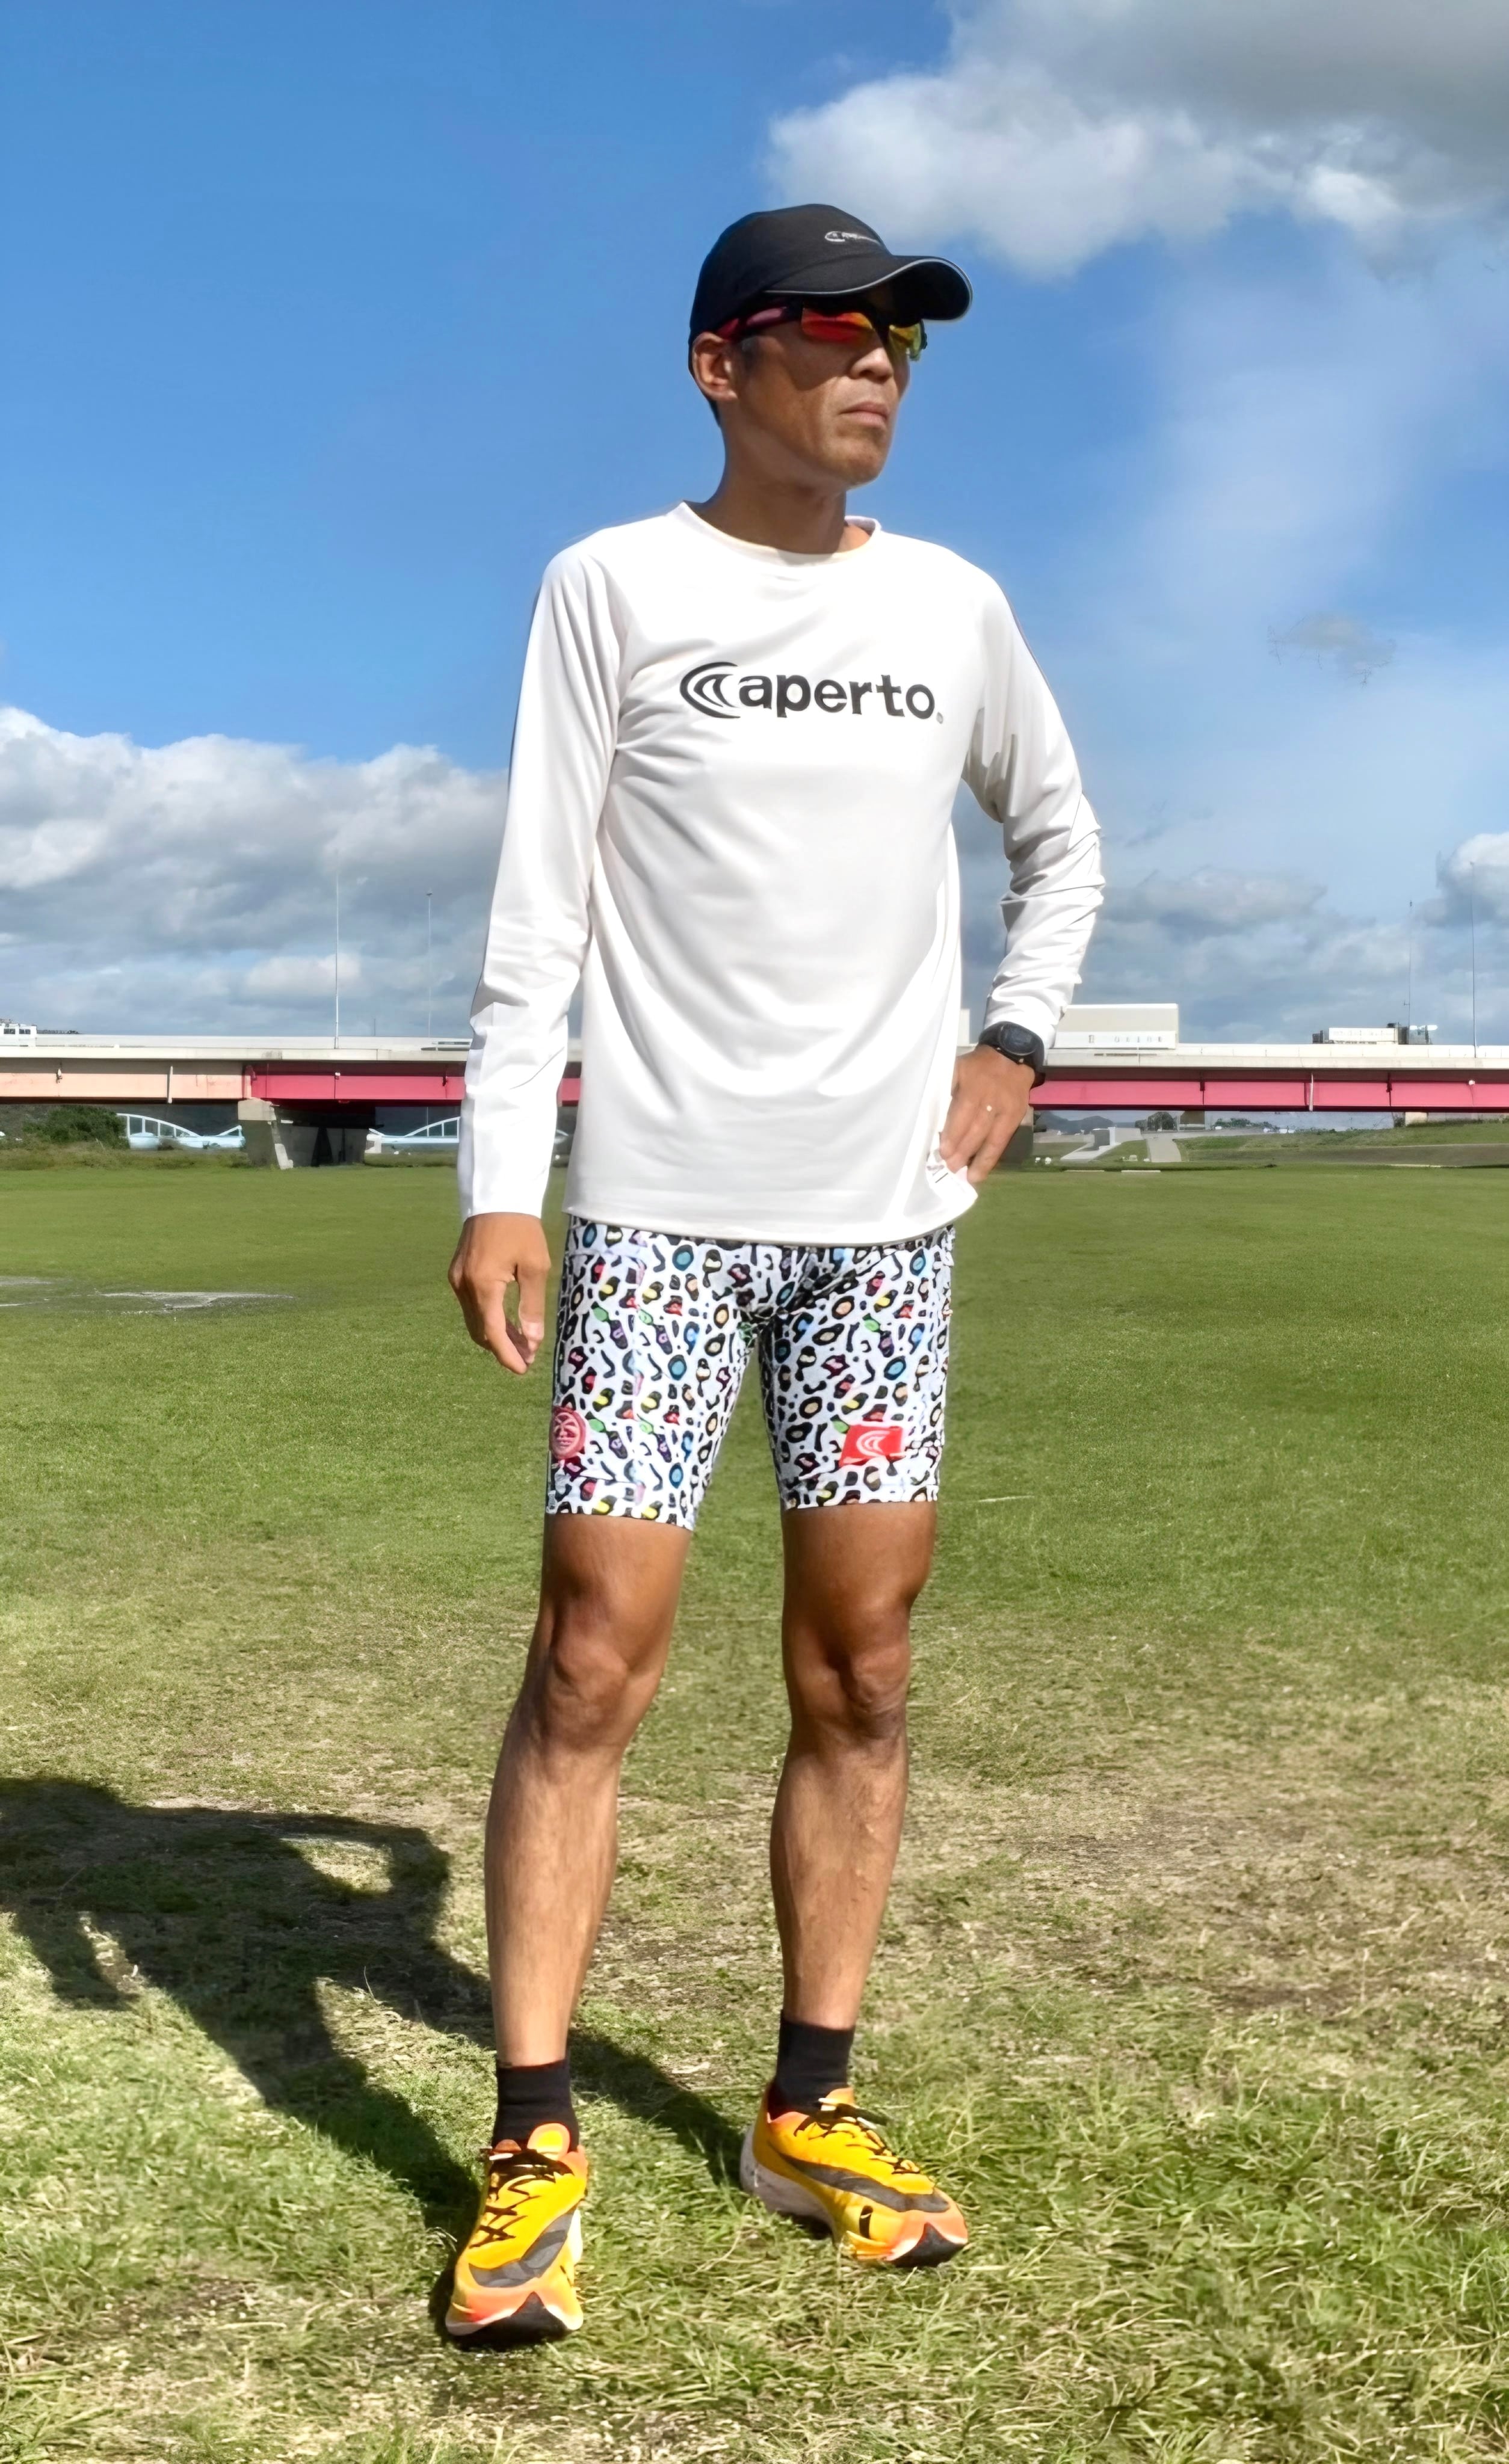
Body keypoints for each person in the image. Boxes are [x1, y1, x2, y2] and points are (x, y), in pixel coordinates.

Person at [445, 203, 1103, 2342]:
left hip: (880, 1234)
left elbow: (1061, 841)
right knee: (591, 1661)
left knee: (863, 1673)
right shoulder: (610, 585)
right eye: (834, 328)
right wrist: (504, 1179)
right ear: (721, 363)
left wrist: (1014, 1042)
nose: (877, 364)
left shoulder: (953, 604)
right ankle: (533, 2135)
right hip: (653, 1216)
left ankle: (804, 2107)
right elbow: (538, 911)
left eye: (903, 336)